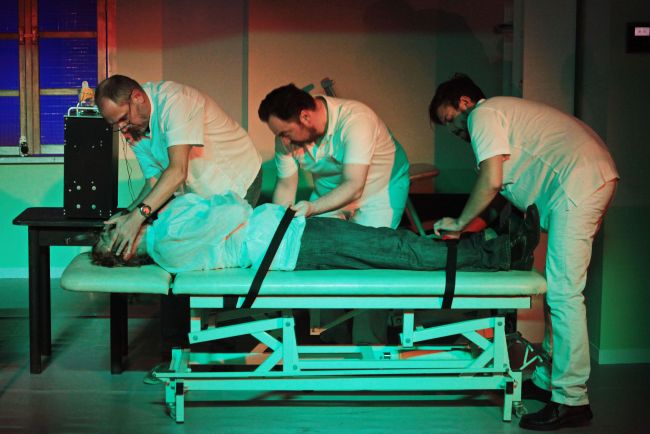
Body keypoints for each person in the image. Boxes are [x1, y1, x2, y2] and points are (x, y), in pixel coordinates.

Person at [428, 74, 619, 431]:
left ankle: (572, 400)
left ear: (465, 103)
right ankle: (548, 381)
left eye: (451, 119)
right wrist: (469, 227)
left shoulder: (483, 114)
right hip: (582, 179)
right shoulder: (501, 118)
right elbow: (500, 194)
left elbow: (491, 181)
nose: (454, 131)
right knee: (555, 292)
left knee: (564, 294)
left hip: (579, 182)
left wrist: (458, 222)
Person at [91, 192, 539, 275]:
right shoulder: (167, 243)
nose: (118, 218)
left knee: (397, 244)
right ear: (125, 250)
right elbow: (230, 208)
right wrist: (223, 206)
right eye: (112, 230)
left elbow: (226, 208)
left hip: (290, 233)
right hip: (292, 243)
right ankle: (500, 254)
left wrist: (224, 208)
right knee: (400, 248)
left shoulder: (167, 226)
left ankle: (494, 244)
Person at [94, 75, 263, 257]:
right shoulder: (132, 128)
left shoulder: (176, 102)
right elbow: (154, 179)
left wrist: (137, 217)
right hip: (201, 190)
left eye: (123, 118)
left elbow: (177, 171)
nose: (122, 128)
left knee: (228, 250)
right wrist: (128, 213)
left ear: (137, 97)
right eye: (115, 124)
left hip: (237, 177)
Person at [258, 83, 410, 229]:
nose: (284, 141)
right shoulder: (285, 138)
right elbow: (286, 185)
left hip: (377, 190)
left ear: (305, 117)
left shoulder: (357, 120)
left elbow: (354, 185)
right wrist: (279, 225)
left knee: (368, 243)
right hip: (328, 191)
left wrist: (313, 207)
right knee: (314, 239)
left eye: (286, 133)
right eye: (279, 135)